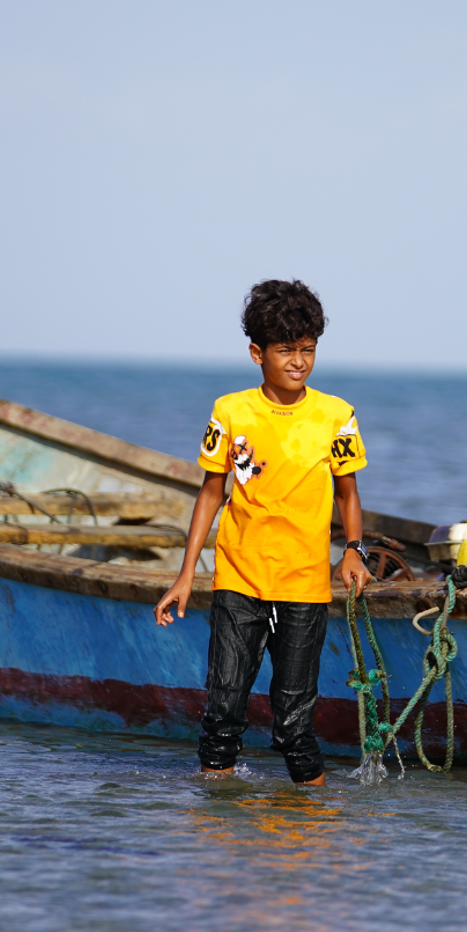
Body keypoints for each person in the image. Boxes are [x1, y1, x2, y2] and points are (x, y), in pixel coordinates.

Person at [154, 279, 372, 786]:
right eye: (286, 350)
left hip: (304, 585)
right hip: (238, 579)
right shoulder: (231, 412)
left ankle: (310, 827)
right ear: (257, 353)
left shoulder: (336, 416)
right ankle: (216, 827)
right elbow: (211, 492)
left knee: (294, 726)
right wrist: (187, 575)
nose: (298, 361)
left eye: (308, 350)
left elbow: (348, 495)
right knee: (222, 713)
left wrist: (354, 552)